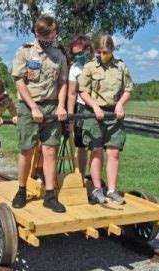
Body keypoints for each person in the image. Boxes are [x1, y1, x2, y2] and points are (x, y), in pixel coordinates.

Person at [11, 15, 68, 213]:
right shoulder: (25, 52)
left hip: (52, 106)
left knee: (50, 150)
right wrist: (33, 107)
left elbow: (62, 82)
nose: (51, 37)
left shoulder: (59, 53)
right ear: (37, 33)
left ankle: (50, 195)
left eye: (52, 34)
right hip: (29, 106)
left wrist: (61, 106)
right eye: (47, 34)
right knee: (26, 149)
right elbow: (19, 81)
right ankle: (21, 190)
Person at [78, 35, 133, 205]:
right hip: (94, 114)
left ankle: (111, 190)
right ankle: (97, 189)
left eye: (106, 52)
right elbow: (82, 91)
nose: (103, 55)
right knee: (96, 151)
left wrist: (120, 105)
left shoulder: (121, 67)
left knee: (114, 152)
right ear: (95, 51)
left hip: (113, 114)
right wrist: (95, 107)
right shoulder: (89, 67)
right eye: (100, 52)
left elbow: (128, 89)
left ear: (112, 51)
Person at [67, 35, 95, 178]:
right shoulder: (74, 68)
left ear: (88, 49)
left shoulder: (99, 63)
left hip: (98, 108)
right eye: (74, 54)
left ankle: (95, 181)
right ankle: (82, 178)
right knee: (82, 146)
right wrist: (70, 117)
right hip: (81, 108)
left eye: (79, 53)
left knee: (97, 147)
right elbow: (72, 93)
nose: (77, 57)